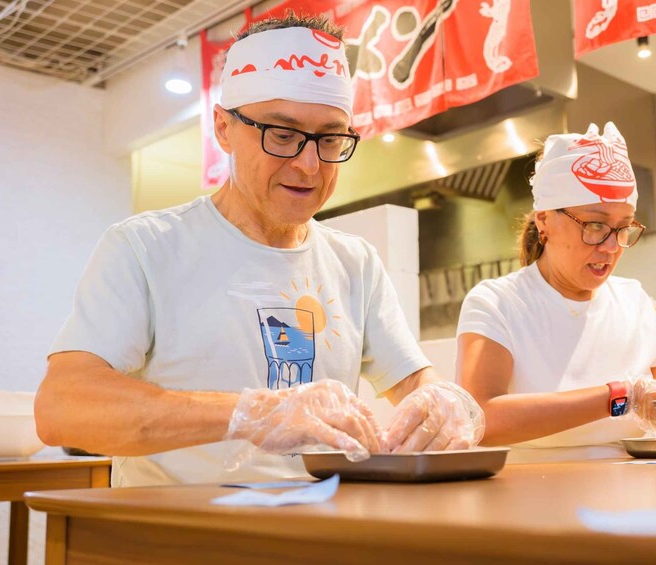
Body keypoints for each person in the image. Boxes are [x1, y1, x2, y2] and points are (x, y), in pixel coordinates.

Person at [35, 13, 482, 487]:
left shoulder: (355, 264)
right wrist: (250, 414)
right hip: (177, 543)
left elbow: (415, 383)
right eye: (283, 135)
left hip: (325, 534)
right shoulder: (146, 248)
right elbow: (63, 407)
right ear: (224, 128)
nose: (309, 165)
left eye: (329, 138)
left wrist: (446, 404)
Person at [456, 122, 656, 460]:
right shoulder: (497, 303)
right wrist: (619, 397)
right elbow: (479, 418)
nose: (610, 246)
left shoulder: (633, 301)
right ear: (545, 221)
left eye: (623, 228)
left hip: (633, 496)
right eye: (594, 226)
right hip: (528, 496)